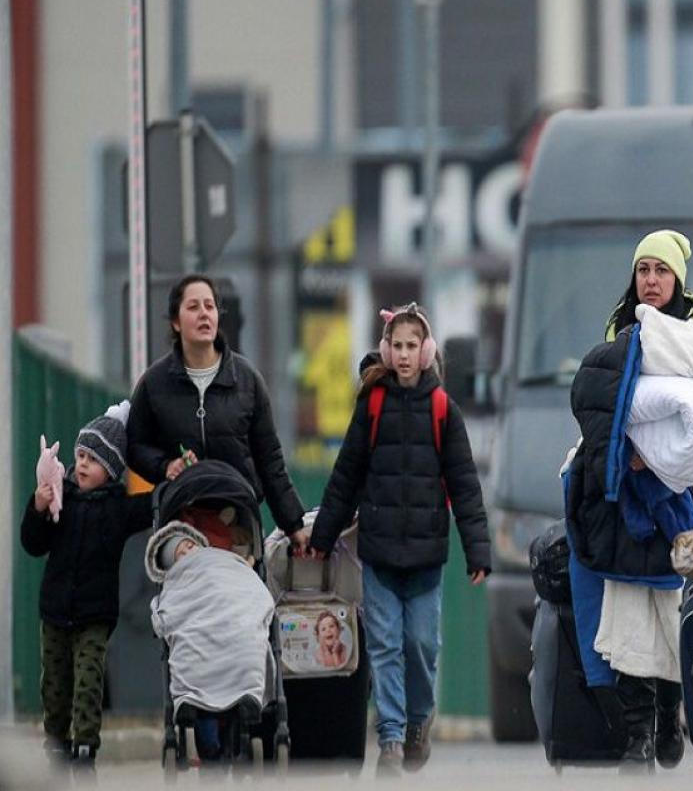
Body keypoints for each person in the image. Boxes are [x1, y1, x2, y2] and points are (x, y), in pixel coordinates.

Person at [306, 303, 491, 778]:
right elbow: (346, 475)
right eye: (398, 346)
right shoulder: (371, 406)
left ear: (426, 351)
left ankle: (416, 723)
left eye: (413, 346)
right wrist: (322, 536)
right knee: (385, 645)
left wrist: (478, 550)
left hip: (427, 556)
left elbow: (465, 484)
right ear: (387, 351)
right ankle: (390, 739)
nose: (405, 355)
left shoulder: (442, 409)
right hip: (380, 552)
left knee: (421, 645)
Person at [563, 229, 693, 772]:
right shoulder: (619, 326)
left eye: (660, 271)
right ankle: (638, 737)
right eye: (643, 270)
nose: (650, 280)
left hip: (675, 497)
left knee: (670, 616)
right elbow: (605, 401)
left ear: (677, 280)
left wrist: (662, 457)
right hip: (623, 497)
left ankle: (670, 717)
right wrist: (623, 456)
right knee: (627, 618)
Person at [127, 274, 308, 550]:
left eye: (209, 306)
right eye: (193, 307)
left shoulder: (247, 379)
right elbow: (135, 446)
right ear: (175, 322)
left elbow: (270, 460)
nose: (204, 314)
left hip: (238, 520)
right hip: (181, 522)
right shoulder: (155, 382)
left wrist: (294, 526)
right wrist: (166, 466)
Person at [20, 403, 152, 775]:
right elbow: (32, 542)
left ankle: (84, 750)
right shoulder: (61, 499)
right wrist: (39, 506)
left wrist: (177, 477)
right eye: (79, 456)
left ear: (109, 470)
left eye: (92, 460)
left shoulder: (118, 508)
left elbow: (154, 505)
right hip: (55, 612)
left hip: (95, 615)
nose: (81, 465)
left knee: (88, 681)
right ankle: (57, 746)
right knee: (55, 687)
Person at [146, 521, 275, 764]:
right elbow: (168, 615)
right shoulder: (177, 582)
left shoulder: (223, 561)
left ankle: (225, 737)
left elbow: (252, 591)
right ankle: (213, 749)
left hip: (233, 617)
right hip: (198, 631)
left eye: (190, 546)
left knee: (243, 635)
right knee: (200, 665)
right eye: (180, 554)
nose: (188, 554)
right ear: (171, 567)